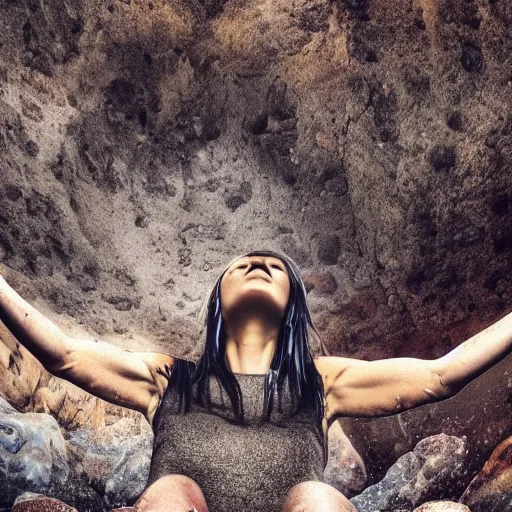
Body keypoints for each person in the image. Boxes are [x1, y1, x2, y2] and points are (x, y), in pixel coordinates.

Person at [0, 249, 511, 512]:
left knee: (316, 498)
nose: (260, 264)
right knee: (174, 491)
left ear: (293, 305)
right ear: (218, 299)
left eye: (274, 267)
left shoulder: (321, 383)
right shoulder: (169, 379)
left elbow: (442, 375)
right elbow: (63, 355)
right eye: (244, 265)